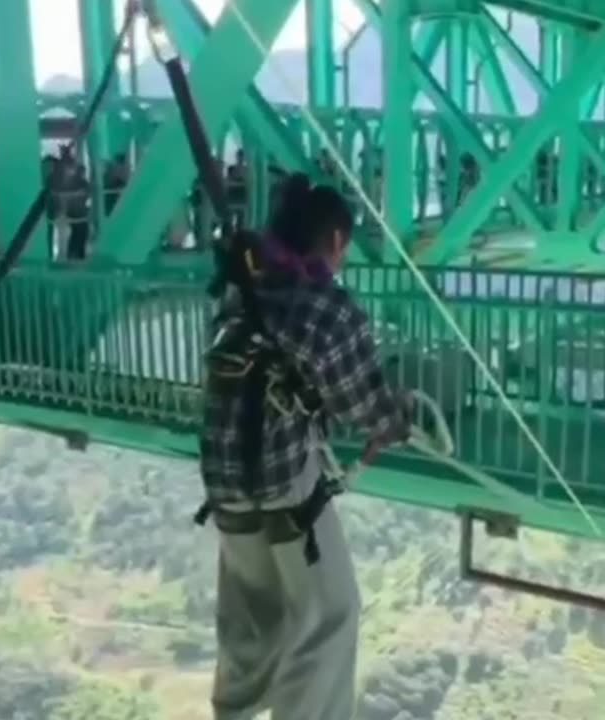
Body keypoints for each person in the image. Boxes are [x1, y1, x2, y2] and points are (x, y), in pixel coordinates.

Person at [197, 174, 412, 720]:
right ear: (336, 241)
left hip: (224, 478)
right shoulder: (327, 308)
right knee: (329, 617)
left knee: (253, 617)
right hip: (284, 481)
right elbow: (360, 403)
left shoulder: (242, 288)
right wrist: (396, 420)